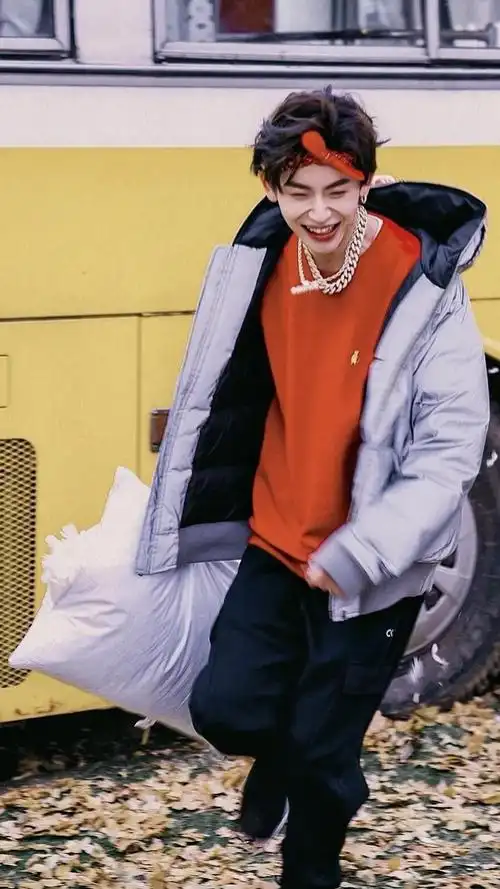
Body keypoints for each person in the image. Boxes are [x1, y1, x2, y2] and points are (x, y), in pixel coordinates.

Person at [136, 88, 489, 888]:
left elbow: (448, 451)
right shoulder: (257, 261)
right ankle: (282, 760)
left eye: (339, 190)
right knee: (227, 708)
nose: (319, 212)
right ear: (272, 189)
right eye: (299, 192)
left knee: (326, 753)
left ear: (366, 183)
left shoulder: (423, 283)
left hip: (374, 566)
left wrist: (362, 550)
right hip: (277, 536)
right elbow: (219, 394)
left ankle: (311, 862)